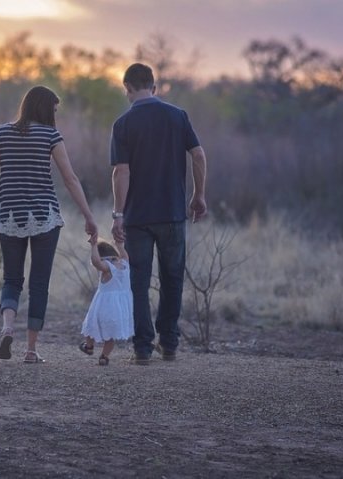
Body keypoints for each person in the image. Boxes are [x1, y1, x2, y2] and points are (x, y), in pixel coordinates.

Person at [0, 85, 98, 364]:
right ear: (45, 109)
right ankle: (31, 350)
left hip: (8, 215)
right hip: (44, 216)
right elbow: (70, 179)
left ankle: (8, 327)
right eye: (54, 109)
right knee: (39, 284)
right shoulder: (50, 136)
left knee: (11, 279)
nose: (55, 115)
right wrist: (88, 215)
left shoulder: (1, 133)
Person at [110, 63, 208, 365]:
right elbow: (199, 155)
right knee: (172, 278)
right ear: (154, 86)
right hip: (173, 213)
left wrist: (118, 214)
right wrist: (198, 195)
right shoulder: (178, 117)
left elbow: (121, 172)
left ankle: (142, 348)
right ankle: (169, 344)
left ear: (127, 87)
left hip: (138, 217)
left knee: (138, 282)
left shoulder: (123, 124)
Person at [79, 239, 134, 366]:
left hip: (104, 307)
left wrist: (93, 246)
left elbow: (96, 262)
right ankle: (104, 356)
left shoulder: (107, 268)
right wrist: (119, 244)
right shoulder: (125, 263)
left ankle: (89, 346)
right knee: (111, 335)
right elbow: (124, 254)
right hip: (120, 309)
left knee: (91, 325)